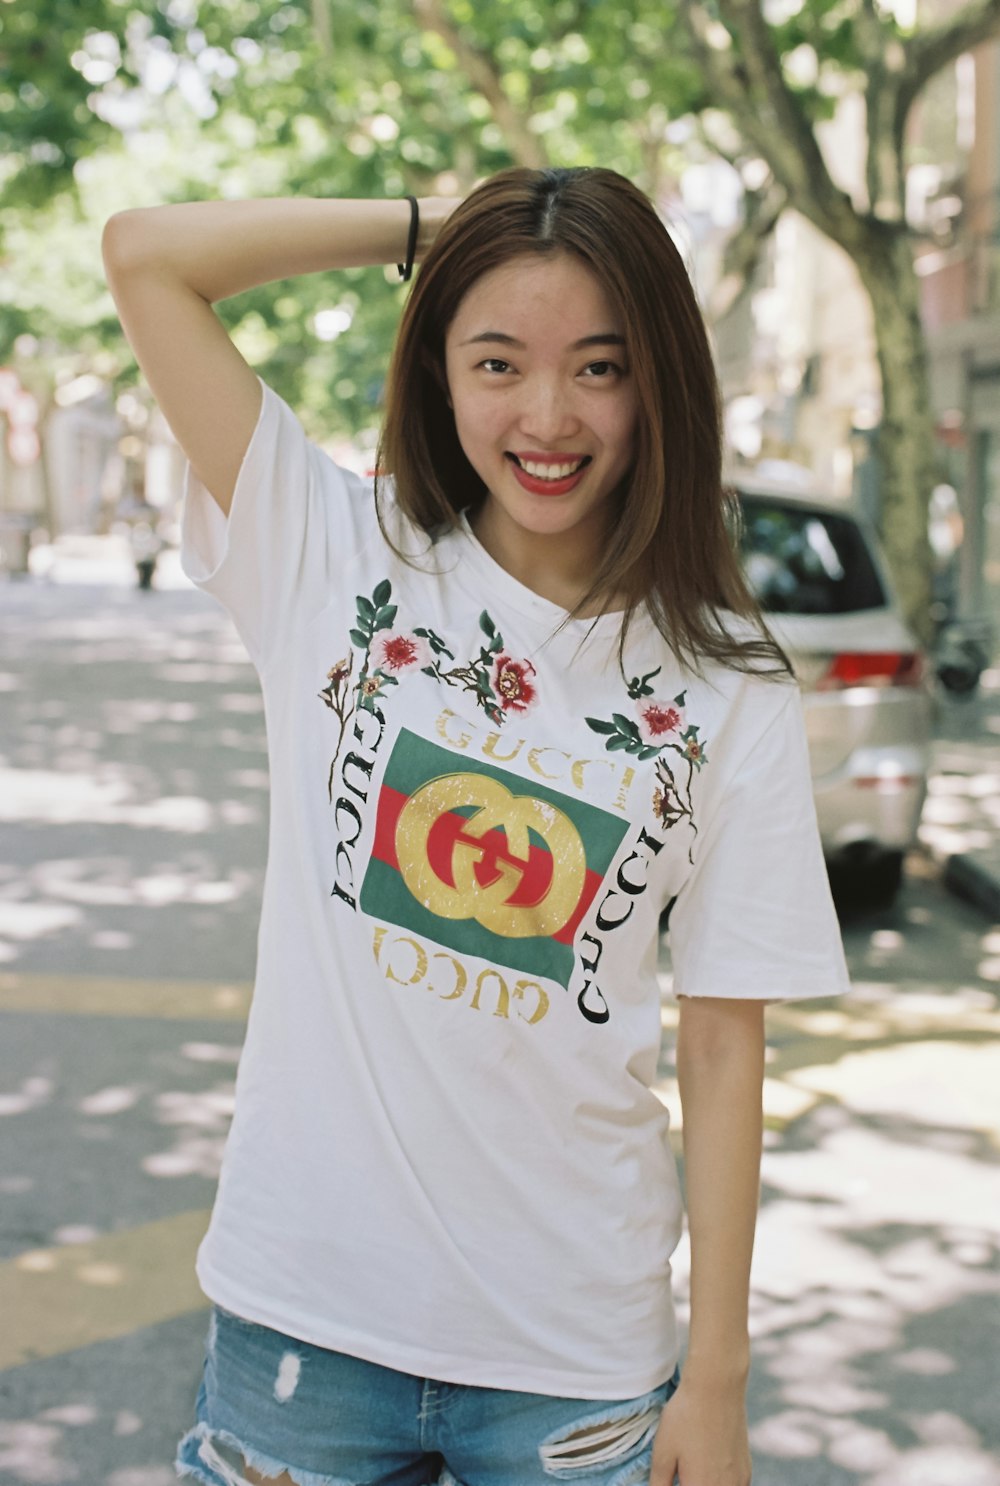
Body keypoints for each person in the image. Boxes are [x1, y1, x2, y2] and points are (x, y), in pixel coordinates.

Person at [103, 167, 850, 1486]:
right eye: (497, 359)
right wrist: (429, 230)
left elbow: (726, 1045)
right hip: (305, 1332)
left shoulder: (725, 686)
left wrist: (719, 1378)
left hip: (574, 1363)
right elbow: (147, 255)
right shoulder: (331, 555)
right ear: (440, 371)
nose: (548, 415)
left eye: (600, 366)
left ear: (658, 381)